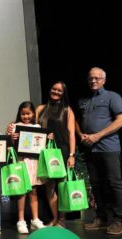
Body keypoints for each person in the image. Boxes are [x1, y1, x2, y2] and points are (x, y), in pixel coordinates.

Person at [76, 67, 122, 235]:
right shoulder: (84, 100)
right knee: (96, 185)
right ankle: (102, 218)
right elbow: (76, 120)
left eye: (97, 78)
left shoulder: (113, 97)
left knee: (114, 183)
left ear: (104, 80)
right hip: (90, 149)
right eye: (91, 78)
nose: (94, 81)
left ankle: (119, 221)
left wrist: (97, 136)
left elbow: (121, 121)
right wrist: (80, 134)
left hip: (109, 148)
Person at [35, 81, 76, 227]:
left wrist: (72, 155)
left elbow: (71, 134)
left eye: (60, 91)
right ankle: (54, 218)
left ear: (63, 93)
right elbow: (32, 129)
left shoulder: (67, 110)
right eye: (54, 89)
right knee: (49, 187)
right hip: (45, 152)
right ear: (50, 89)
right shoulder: (40, 109)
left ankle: (62, 220)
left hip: (63, 151)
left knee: (62, 187)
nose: (56, 92)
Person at [7, 101, 46, 234]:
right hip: (21, 162)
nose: (26, 116)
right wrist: (12, 138)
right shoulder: (14, 126)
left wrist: (48, 137)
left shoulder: (37, 126)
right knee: (21, 192)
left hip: (33, 162)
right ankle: (21, 220)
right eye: (23, 114)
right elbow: (9, 145)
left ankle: (35, 219)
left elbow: (40, 144)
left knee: (33, 191)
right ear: (19, 114)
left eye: (28, 113)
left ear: (33, 113)